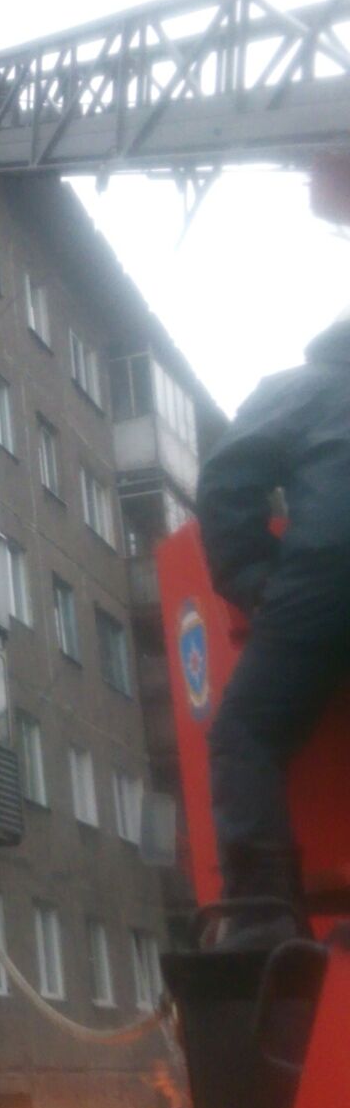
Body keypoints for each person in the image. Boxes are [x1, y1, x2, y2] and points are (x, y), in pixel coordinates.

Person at [197, 303, 350, 936]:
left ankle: (264, 921)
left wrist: (255, 581)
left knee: (248, 733)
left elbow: (229, 479)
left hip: (330, 574)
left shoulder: (302, 387)